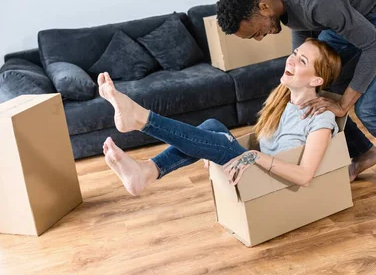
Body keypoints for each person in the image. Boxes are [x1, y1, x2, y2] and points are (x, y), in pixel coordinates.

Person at [215, 0, 376, 203]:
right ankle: (364, 153)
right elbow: (304, 34)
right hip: (351, 10)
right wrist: (299, 77)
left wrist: (344, 104)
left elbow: (375, 44)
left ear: (263, 8)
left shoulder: (315, 0)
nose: (260, 38)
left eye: (255, 33)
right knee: (317, 91)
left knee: (369, 108)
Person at [99, 39, 341, 196]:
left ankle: (141, 119)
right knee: (212, 128)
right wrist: (207, 146)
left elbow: (305, 176)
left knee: (218, 141)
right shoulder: (283, 103)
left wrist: (252, 155)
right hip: (255, 171)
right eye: (295, 53)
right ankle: (147, 170)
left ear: (316, 80)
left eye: (302, 61)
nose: (291, 59)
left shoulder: (321, 119)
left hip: (275, 186)